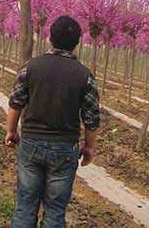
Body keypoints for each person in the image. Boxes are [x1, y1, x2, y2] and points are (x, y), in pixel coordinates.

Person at [6, 15, 100, 228]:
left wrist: (11, 131)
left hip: (31, 144)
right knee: (56, 212)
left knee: (25, 207)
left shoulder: (31, 67)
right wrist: (89, 147)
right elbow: (92, 117)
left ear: (49, 37)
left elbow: (15, 103)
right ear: (77, 43)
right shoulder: (84, 75)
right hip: (64, 149)